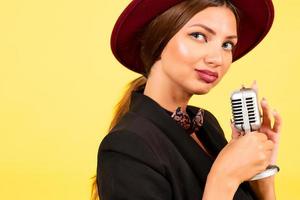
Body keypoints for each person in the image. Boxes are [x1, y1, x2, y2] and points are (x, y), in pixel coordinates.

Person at [91, 0, 282, 199]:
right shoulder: (125, 147)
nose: (217, 59)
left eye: (227, 45)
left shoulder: (206, 124)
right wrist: (224, 178)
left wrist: (262, 177)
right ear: (158, 39)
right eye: (199, 36)